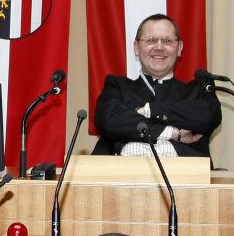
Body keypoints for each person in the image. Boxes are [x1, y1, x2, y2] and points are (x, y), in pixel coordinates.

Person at [93, 13, 221, 158]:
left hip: (184, 176)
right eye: (151, 40)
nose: (159, 47)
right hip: (122, 175)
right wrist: (173, 133)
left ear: (179, 48)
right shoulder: (117, 86)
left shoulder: (197, 90)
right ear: (136, 47)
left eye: (167, 40)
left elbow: (209, 116)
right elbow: (109, 120)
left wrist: (149, 110)